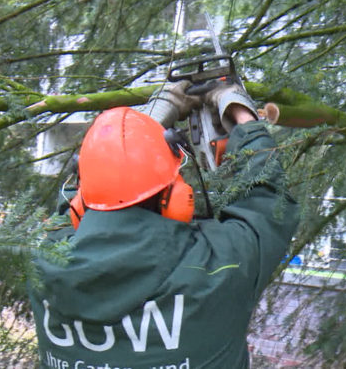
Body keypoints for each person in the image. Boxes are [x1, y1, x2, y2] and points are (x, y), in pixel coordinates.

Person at [28, 80, 299, 369]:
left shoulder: (45, 266)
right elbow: (265, 202)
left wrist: (138, 136)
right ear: (176, 201)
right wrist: (242, 116)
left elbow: (75, 205)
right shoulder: (220, 267)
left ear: (81, 208)